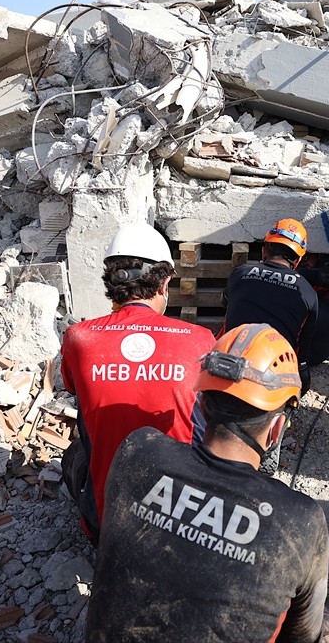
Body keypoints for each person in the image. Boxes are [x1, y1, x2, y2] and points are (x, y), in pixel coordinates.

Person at [86, 323, 329, 643]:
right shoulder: (301, 520)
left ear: (200, 405)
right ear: (277, 428)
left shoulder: (137, 450)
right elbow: (302, 636)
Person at [60, 222, 216, 543]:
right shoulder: (201, 340)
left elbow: (73, 388)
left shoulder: (79, 338)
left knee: (77, 446)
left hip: (107, 530)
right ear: (164, 284)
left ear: (112, 282)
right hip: (179, 529)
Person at [223, 219, 329, 392]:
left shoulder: (239, 273)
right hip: (274, 369)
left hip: (229, 361)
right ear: (298, 260)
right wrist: (303, 377)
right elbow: (303, 352)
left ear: (263, 252)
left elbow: (226, 302)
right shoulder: (307, 292)